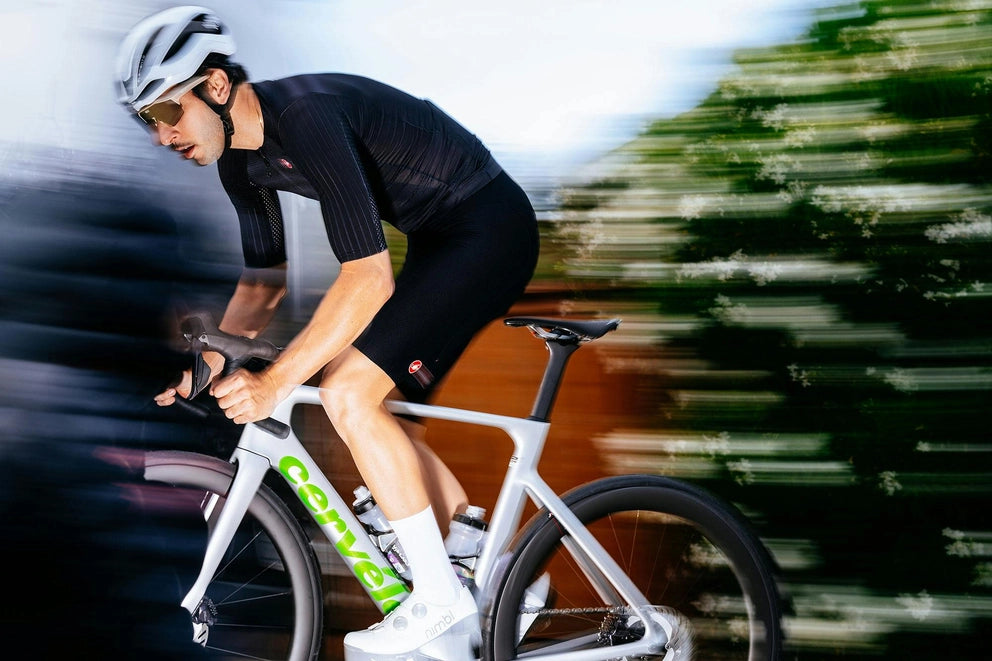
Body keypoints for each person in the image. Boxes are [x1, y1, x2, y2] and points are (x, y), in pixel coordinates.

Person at [116, 6, 539, 660]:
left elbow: (368, 277)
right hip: (440, 241)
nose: (161, 135)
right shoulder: (239, 163)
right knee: (378, 411)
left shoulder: (306, 117)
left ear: (216, 86)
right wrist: (208, 362)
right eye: (148, 120)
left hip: (489, 227)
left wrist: (274, 383)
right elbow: (263, 285)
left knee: (347, 392)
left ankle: (438, 599)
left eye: (167, 111)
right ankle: (500, 575)